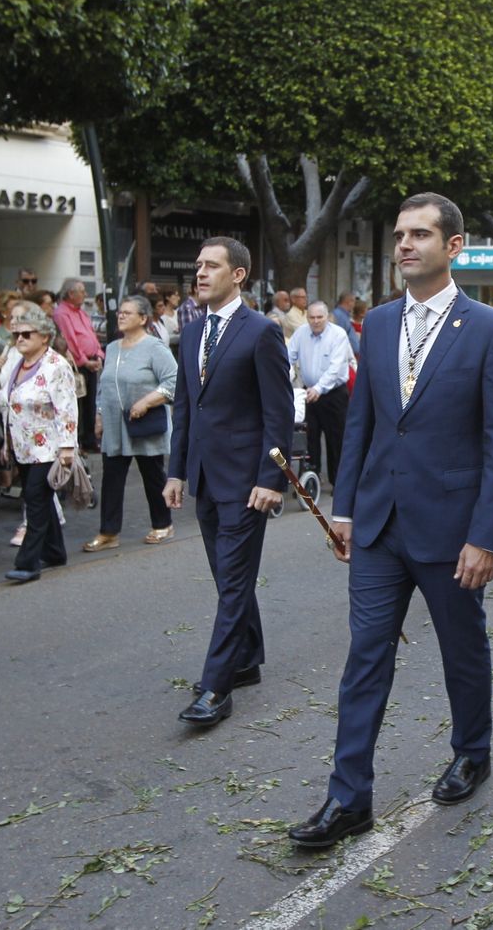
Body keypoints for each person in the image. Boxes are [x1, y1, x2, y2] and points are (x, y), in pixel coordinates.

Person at [288, 191, 493, 849]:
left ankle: (472, 748)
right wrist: (344, 507)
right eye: (398, 235)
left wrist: (485, 536)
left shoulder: (489, 330)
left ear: (453, 246)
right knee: (365, 655)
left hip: (452, 529)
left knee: (461, 646)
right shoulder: (379, 324)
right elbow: (363, 420)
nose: (404, 245)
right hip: (380, 526)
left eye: (419, 234)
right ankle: (348, 797)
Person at [164, 237, 293, 728]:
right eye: (197, 265)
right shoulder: (194, 332)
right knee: (227, 577)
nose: (199, 273)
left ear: (238, 274)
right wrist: (176, 470)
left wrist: (272, 478)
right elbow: (185, 407)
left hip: (246, 483)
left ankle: (216, 687)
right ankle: (246, 659)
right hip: (203, 478)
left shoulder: (261, 331)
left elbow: (277, 413)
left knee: (233, 582)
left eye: (210, 266)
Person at [84, 296, 178, 552]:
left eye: (128, 313)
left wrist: (147, 401)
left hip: (144, 422)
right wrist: (99, 414)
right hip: (115, 425)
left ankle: (163, 524)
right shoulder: (112, 347)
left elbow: (174, 381)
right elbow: (105, 385)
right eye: (120, 312)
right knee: (111, 479)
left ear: (143, 318)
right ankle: (108, 532)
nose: (121, 316)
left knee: (153, 476)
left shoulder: (155, 348)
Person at [0, 304, 79, 582]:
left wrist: (67, 447)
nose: (19, 339)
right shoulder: (16, 363)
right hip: (23, 447)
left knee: (34, 500)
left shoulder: (56, 366)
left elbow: (67, 408)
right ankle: (55, 552)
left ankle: (28, 562)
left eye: (26, 334)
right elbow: (7, 403)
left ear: (44, 337)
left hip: (48, 448)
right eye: (16, 335)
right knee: (41, 499)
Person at [288, 300, 352, 485]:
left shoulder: (338, 335)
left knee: (336, 439)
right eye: (312, 317)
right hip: (309, 392)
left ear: (327, 317)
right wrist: (285, 378)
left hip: (334, 394)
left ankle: (338, 481)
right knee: (310, 438)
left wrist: (319, 388)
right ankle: (311, 478)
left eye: (320, 317)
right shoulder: (301, 333)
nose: (315, 321)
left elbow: (336, 367)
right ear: (307, 316)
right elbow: (289, 359)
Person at [54, 279, 103, 453]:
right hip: (77, 364)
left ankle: (90, 439)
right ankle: (79, 440)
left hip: (91, 361)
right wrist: (84, 361)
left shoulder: (81, 312)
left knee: (90, 404)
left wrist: (98, 354)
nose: (85, 294)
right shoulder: (62, 313)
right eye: (81, 291)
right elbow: (70, 340)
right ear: (70, 294)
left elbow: (91, 334)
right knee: (78, 405)